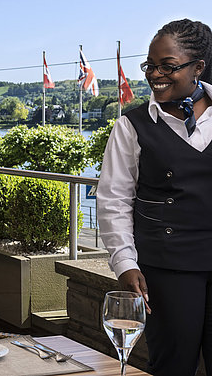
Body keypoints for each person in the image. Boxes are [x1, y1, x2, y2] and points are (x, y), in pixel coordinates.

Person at [97, 19, 212, 376]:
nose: (155, 74)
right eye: (150, 65)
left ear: (198, 67)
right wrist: (125, 263)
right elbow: (113, 200)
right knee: (172, 365)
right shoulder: (130, 126)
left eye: (168, 66)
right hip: (167, 269)